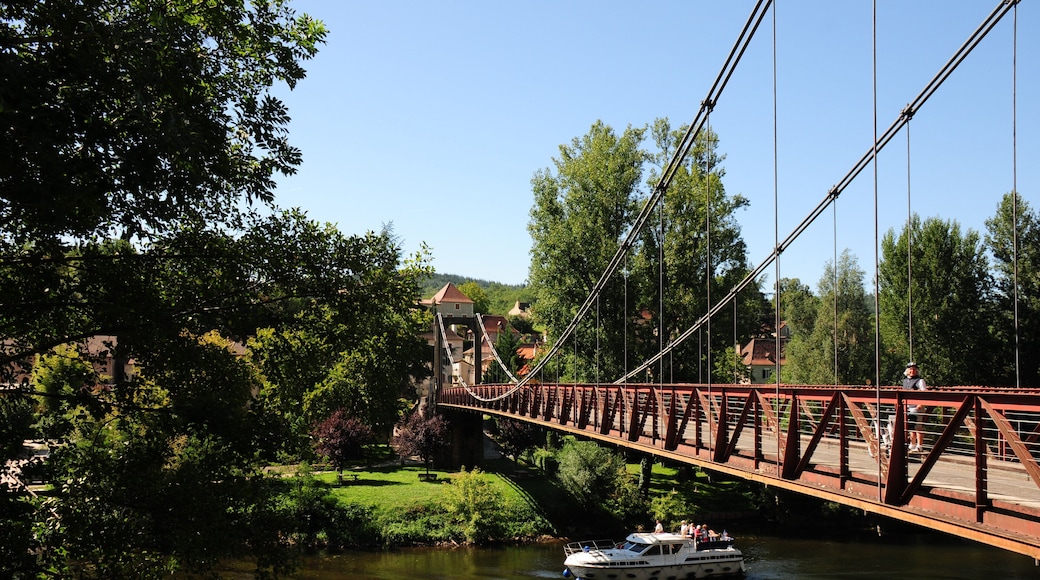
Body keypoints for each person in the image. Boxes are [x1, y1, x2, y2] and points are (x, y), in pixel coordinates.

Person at [903, 361, 928, 452]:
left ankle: (919, 445)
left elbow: (924, 393)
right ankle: (912, 444)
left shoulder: (920, 381)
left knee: (918, 426)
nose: (912, 371)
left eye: (914, 369)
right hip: (908, 406)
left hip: (917, 407)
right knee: (910, 426)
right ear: (907, 370)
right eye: (910, 369)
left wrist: (920, 405)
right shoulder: (905, 381)